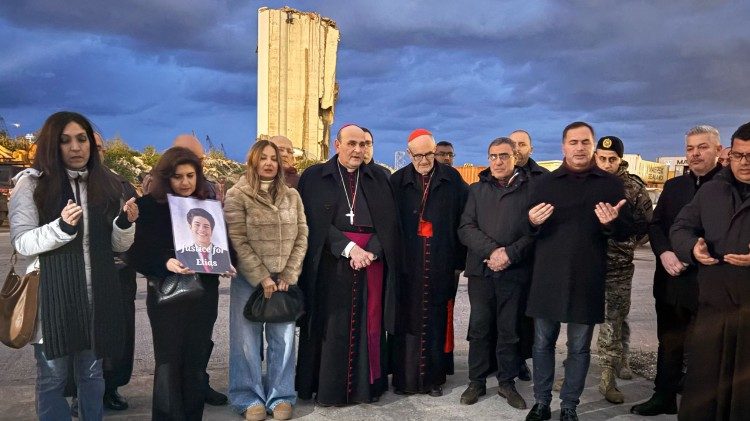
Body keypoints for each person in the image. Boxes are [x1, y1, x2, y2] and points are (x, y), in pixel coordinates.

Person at [9, 111, 138, 420]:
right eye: (65, 141)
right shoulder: (31, 184)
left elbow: (117, 248)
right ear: (53, 145)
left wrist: (123, 225)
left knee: (93, 376)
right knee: (53, 378)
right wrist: (61, 229)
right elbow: (22, 242)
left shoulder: (105, 184)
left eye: (82, 139)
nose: (76, 147)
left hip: (97, 297)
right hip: (52, 300)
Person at [524, 121, 630, 421]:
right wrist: (531, 221)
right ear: (563, 146)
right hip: (548, 276)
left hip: (587, 277)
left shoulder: (609, 184)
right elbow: (525, 227)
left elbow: (626, 230)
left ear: (592, 146)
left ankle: (569, 405)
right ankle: (542, 402)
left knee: (579, 347)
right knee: (542, 343)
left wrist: (611, 222)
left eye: (585, 142)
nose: (579, 147)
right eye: (574, 142)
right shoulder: (545, 183)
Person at [295, 124, 400, 406]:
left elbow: (390, 223)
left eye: (362, 145)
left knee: (369, 322)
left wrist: (371, 251)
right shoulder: (315, 176)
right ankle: (328, 387)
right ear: (337, 144)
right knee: (332, 324)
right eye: (351, 144)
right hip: (332, 261)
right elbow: (312, 223)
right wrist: (349, 248)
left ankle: (367, 387)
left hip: (371, 262)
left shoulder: (380, 176)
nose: (357, 150)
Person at [128, 147, 234, 420]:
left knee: (196, 364)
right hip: (167, 298)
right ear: (166, 177)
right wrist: (165, 263)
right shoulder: (148, 206)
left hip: (203, 297)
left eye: (191, 175)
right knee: (169, 365)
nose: (186, 182)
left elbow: (223, 246)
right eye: (178, 177)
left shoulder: (207, 206)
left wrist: (227, 263)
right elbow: (135, 252)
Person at [631, 125, 723, 416]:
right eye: (690, 149)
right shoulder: (674, 187)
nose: (695, 154)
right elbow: (656, 226)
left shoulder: (729, 187)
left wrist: (690, 254)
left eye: (702, 147)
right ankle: (664, 396)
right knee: (669, 342)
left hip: (708, 283)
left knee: (705, 349)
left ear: (718, 150)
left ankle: (700, 403)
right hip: (671, 281)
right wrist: (665, 253)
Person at [670, 122, 750, 420]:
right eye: (739, 155)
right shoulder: (712, 192)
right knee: (703, 399)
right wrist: (692, 248)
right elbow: (680, 227)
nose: (744, 163)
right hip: (714, 312)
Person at [224, 140, 308, 420]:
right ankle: (247, 397)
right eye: (264, 158)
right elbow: (238, 239)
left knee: (283, 340)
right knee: (246, 341)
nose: (270, 162)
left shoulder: (292, 196)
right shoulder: (237, 195)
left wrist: (289, 274)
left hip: (284, 280)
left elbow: (301, 235)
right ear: (253, 161)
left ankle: (281, 395)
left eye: (275, 158)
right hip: (249, 281)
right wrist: (261, 276)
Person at [390, 129, 468, 397]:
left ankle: (433, 379)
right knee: (407, 321)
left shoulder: (452, 179)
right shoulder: (397, 181)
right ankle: (405, 379)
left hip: (440, 261)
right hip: (408, 265)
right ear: (409, 154)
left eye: (429, 154)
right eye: (418, 155)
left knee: (436, 321)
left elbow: (464, 220)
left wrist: (458, 261)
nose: (424, 160)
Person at [458, 137, 534, 410]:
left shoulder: (531, 190)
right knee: (479, 329)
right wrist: (493, 252)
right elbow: (465, 228)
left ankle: (506, 382)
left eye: (504, 155)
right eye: (493, 156)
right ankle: (476, 381)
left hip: (514, 273)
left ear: (515, 156)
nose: (498, 161)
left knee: (509, 330)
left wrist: (509, 255)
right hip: (482, 271)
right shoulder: (476, 190)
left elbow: (534, 233)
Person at [592, 136, 653, 404]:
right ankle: (576, 369)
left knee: (614, 319)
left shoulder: (634, 188)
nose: (606, 164)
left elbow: (646, 226)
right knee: (581, 320)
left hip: (618, 266)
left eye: (612, 159)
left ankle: (610, 374)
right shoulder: (585, 182)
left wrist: (625, 245)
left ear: (620, 160)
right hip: (587, 265)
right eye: (602, 158)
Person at [508, 129, 549, 381]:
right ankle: (501, 358)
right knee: (504, 314)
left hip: (534, 256)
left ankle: (521, 360)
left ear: (531, 149)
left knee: (527, 314)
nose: (517, 148)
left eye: (522, 144)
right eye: (513, 144)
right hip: (506, 253)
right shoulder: (500, 174)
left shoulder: (543, 178)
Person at [175, 207, 232, 273]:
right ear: (190, 226)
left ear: (212, 230)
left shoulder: (225, 255)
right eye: (197, 225)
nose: (201, 230)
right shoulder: (181, 255)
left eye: (206, 226)